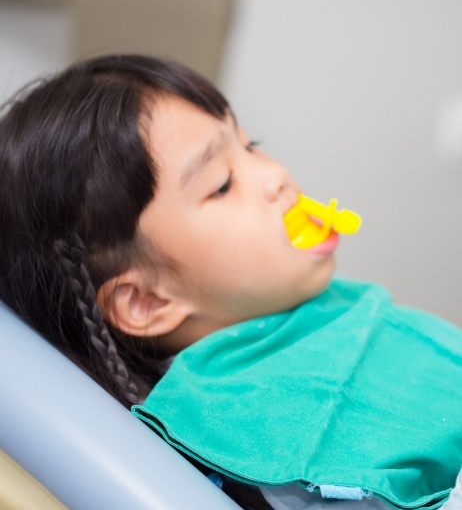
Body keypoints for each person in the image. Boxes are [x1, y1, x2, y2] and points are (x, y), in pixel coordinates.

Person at [0, 54, 460, 510]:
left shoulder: (303, 307)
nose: (276, 174)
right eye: (222, 184)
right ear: (145, 301)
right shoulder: (258, 434)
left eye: (251, 144)